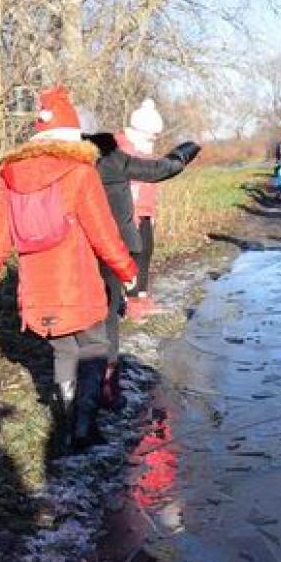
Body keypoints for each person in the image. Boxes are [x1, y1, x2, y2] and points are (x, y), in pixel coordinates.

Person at [0, 85, 137, 452]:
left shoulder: (11, 177)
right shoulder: (79, 172)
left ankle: (64, 423)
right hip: (79, 286)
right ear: (72, 135)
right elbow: (104, 232)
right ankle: (83, 427)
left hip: (38, 293)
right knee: (94, 347)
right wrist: (126, 271)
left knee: (63, 351)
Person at [79, 109, 201, 409]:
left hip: (76, 247)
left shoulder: (62, 164)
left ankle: (77, 396)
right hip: (111, 245)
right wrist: (187, 150)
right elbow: (160, 169)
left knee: (82, 318)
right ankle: (108, 387)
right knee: (106, 315)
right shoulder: (112, 158)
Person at [120, 98, 167, 313]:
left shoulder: (146, 152)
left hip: (145, 212)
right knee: (133, 254)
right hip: (129, 213)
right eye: (151, 136)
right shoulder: (123, 149)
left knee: (146, 251)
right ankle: (131, 300)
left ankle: (142, 294)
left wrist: (152, 212)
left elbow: (150, 184)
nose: (153, 140)